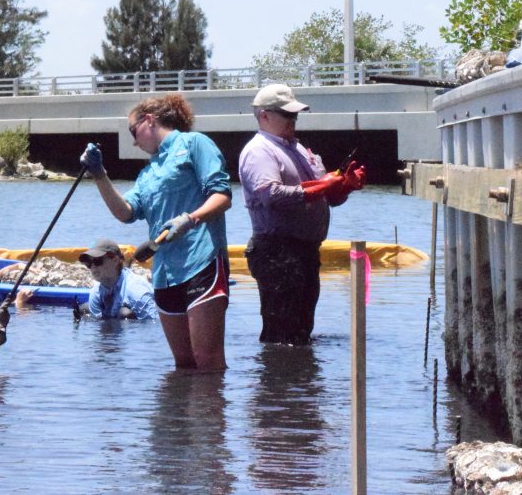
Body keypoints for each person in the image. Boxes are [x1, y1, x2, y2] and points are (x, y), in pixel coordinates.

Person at [80, 93, 232, 371]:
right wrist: (99, 174)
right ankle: (179, 417)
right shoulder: (147, 173)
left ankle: (211, 414)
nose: (134, 142)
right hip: (165, 275)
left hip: (202, 262)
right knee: (184, 366)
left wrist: (190, 218)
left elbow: (223, 196)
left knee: (207, 363)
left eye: (132, 131)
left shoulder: (195, 144)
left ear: (149, 120)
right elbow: (125, 212)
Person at [237, 83, 366, 345]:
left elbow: (328, 198)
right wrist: (319, 187)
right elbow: (271, 196)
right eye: (287, 114)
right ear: (264, 116)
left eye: (295, 114)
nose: (293, 120)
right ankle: (279, 383)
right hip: (277, 251)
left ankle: (299, 383)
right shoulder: (259, 150)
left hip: (305, 251)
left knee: (301, 331)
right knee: (281, 334)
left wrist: (344, 186)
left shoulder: (297, 149)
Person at [76, 238, 158, 321]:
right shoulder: (96, 292)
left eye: (98, 261)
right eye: (89, 262)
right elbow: (99, 325)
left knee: (124, 313)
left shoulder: (136, 292)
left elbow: (153, 324)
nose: (93, 267)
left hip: (132, 328)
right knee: (84, 309)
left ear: (115, 260)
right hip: (114, 325)